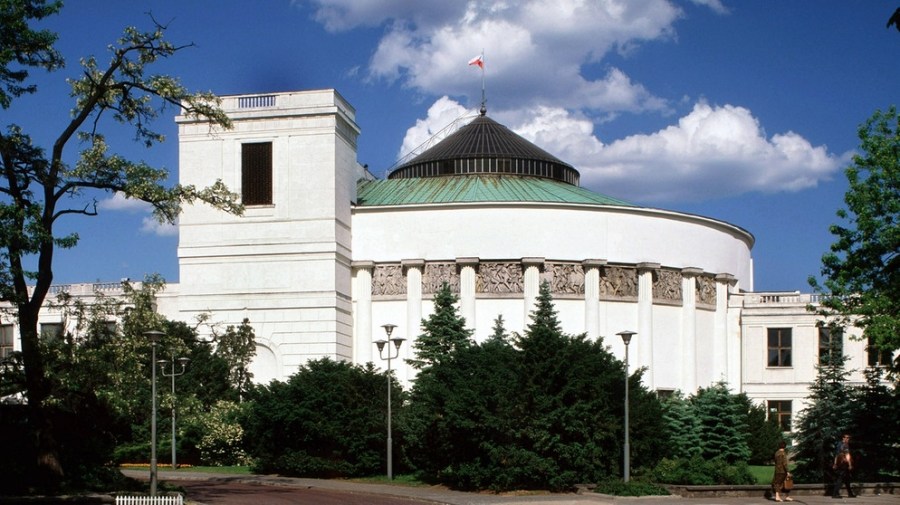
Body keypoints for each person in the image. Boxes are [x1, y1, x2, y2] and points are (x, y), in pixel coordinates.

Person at [832, 434, 855, 498]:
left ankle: (850, 493)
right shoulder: (845, 445)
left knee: (847, 478)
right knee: (840, 478)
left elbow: (836, 455)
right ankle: (835, 494)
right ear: (843, 438)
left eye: (849, 438)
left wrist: (835, 464)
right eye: (846, 437)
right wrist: (850, 464)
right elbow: (847, 455)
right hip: (844, 464)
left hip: (839, 463)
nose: (848, 439)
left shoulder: (839, 444)